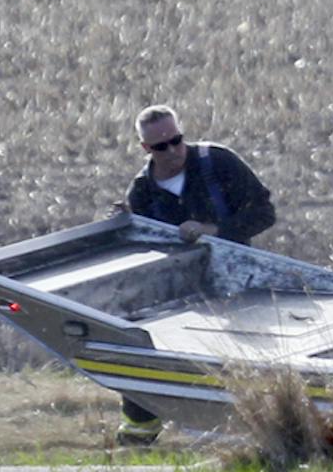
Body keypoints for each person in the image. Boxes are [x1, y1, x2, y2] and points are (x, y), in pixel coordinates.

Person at [117, 103, 277, 445]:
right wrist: (124, 226)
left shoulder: (218, 163)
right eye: (161, 146)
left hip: (237, 284)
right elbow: (144, 250)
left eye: (177, 140)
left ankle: (255, 428)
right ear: (146, 149)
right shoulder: (141, 192)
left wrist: (213, 230)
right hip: (179, 294)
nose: (173, 151)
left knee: (247, 360)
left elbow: (264, 212)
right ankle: (140, 430)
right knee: (148, 349)